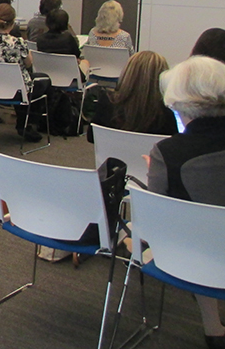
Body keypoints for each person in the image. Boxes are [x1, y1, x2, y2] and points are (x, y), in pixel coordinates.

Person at [147, 56, 225, 348]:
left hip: (196, 259)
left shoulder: (167, 152)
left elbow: (157, 220)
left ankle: (213, 327)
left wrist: (156, 172)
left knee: (196, 231)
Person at [0, 3, 47, 141]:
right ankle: (26, 124)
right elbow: (28, 63)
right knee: (42, 80)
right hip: (15, 90)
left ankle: (24, 123)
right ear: (13, 23)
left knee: (24, 82)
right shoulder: (18, 42)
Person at [91, 51, 176, 137]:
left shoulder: (108, 101)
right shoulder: (166, 112)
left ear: (127, 72)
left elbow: (92, 136)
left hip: (112, 150)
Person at [35, 8, 88, 75]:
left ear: (47, 22)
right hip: (69, 76)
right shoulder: (68, 38)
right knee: (85, 62)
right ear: (65, 23)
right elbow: (77, 54)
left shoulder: (40, 39)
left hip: (48, 75)